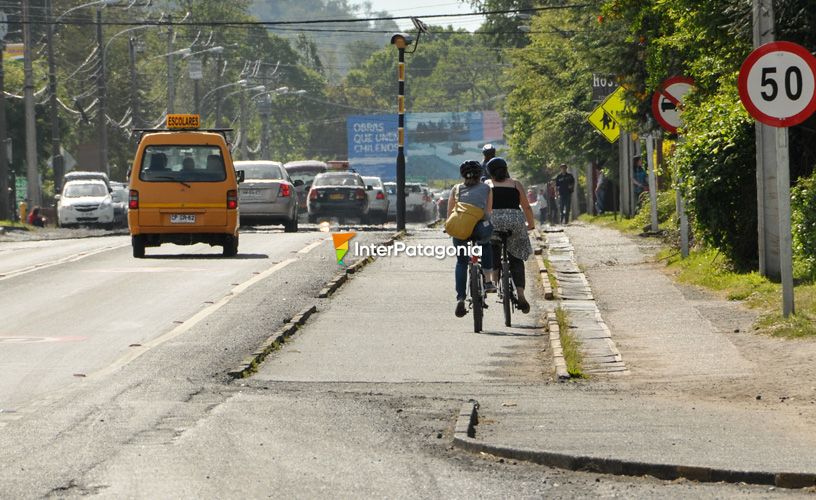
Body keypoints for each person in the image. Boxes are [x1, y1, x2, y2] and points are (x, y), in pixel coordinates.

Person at [485, 157, 535, 313]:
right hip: (516, 222)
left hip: (495, 221)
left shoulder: (488, 185)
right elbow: (526, 207)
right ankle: (520, 294)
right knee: (516, 257)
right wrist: (531, 224)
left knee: (492, 245)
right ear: (506, 169)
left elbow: (486, 209)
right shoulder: (516, 184)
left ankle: (493, 279)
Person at [448, 160, 495, 318]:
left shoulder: (456, 189)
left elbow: (450, 213)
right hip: (480, 229)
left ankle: (461, 298)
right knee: (486, 244)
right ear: (480, 173)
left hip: (461, 229)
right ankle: (488, 281)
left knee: (461, 262)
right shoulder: (487, 188)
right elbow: (488, 212)